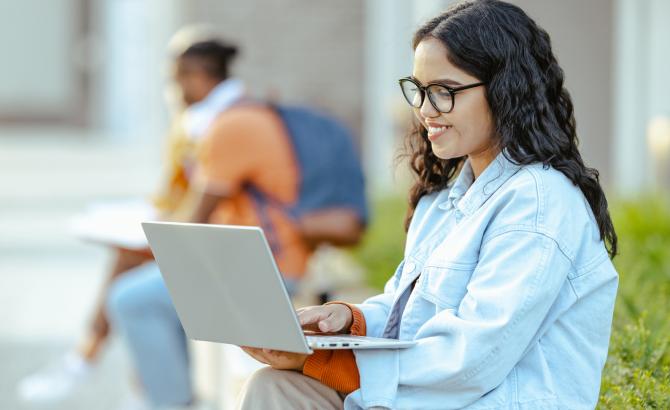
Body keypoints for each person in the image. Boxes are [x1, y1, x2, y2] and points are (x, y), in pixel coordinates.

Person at [235, 1, 619, 409]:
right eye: (419, 90)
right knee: (272, 386)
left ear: (506, 89)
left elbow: (473, 357)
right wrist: (348, 320)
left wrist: (327, 359)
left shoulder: (539, 202)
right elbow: (410, 317)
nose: (424, 110)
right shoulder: (446, 200)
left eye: (444, 92)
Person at [105, 36, 366, 409]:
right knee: (149, 293)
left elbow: (192, 223)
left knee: (131, 299)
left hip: (267, 268)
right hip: (250, 260)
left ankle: (169, 403)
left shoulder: (232, 127)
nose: (172, 91)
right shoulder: (245, 114)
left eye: (175, 79)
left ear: (196, 78)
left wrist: (132, 234)